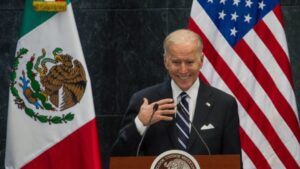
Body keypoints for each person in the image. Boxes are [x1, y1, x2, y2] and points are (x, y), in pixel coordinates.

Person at [111, 29, 241, 156]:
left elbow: (233, 163)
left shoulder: (224, 104)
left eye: (189, 62)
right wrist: (140, 123)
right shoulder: (144, 100)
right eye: (176, 62)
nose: (183, 70)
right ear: (166, 61)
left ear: (201, 61)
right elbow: (119, 157)